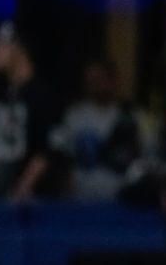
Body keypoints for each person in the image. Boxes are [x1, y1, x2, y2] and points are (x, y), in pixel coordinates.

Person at [50, 58, 141, 202]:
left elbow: (141, 162)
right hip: (81, 200)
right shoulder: (74, 116)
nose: (95, 85)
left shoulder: (130, 117)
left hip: (121, 202)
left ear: (113, 81)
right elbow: (62, 160)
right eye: (91, 80)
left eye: (100, 79)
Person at [0, 22, 60, 201]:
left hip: (29, 203)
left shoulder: (42, 93)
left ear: (17, 47)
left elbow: (48, 149)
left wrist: (24, 185)